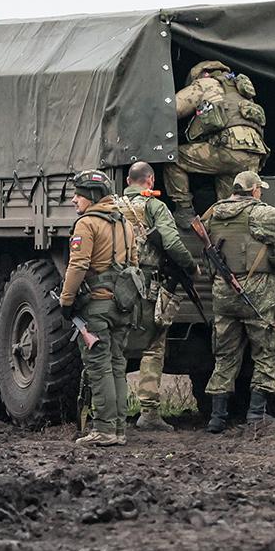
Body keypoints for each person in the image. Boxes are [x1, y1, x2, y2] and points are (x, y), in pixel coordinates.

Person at [203, 171, 275, 433]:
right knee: (266, 351)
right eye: (260, 190)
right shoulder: (258, 214)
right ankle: (256, 415)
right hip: (255, 292)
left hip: (223, 291)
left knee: (224, 355)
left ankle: (217, 418)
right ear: (253, 190)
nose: (261, 193)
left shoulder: (213, 214)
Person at [115, 161, 199, 432]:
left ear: (128, 180)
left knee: (111, 342)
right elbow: (172, 243)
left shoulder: (111, 207)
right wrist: (189, 265)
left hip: (115, 284)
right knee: (153, 342)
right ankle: (149, 412)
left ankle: (103, 409)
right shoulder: (154, 206)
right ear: (150, 180)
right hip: (146, 286)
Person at [58, 169, 138, 447]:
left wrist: (66, 301)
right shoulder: (126, 224)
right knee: (117, 365)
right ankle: (118, 429)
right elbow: (134, 264)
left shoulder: (87, 224)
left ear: (91, 196)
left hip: (96, 308)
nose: (73, 200)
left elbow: (78, 265)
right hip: (123, 307)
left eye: (78, 194)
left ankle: (103, 430)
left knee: (98, 367)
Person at [165, 60, 269, 229]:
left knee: (174, 157)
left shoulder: (205, 83)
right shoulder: (241, 89)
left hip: (227, 149)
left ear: (203, 73)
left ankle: (184, 211)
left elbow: (172, 108)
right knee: (229, 209)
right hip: (253, 155)